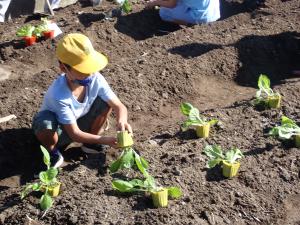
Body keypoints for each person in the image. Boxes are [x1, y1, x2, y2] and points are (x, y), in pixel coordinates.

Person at [32, 33, 132, 168]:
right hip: (60, 131)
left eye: (90, 68)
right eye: (83, 69)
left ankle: (90, 144)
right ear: (64, 68)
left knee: (104, 103)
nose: (90, 73)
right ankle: (52, 152)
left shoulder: (96, 78)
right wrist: (105, 140)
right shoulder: (58, 94)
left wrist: (122, 121)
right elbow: (75, 134)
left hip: (78, 122)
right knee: (45, 123)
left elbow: (119, 106)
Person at [145, 0, 220, 25]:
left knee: (164, 12)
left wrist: (154, 2)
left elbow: (171, 5)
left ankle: (189, 24)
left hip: (202, 18)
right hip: (215, 13)